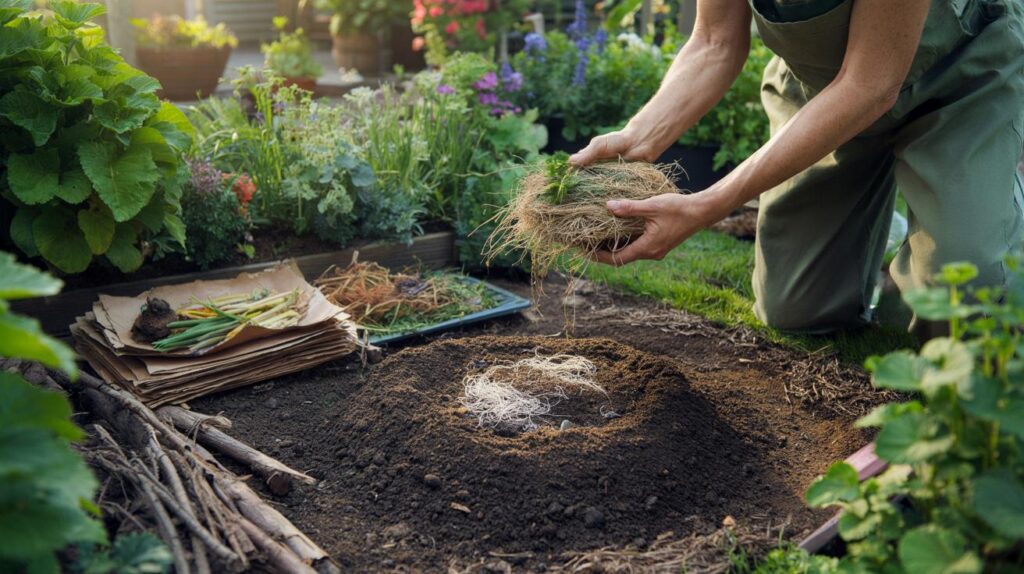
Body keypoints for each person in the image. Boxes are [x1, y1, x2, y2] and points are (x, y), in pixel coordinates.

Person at [571, 0, 1024, 335]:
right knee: (796, 313)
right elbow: (714, 42)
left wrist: (706, 206)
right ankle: (887, 233)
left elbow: (871, 86)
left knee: (966, 302)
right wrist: (639, 136)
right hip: (824, 88)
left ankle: (977, 220)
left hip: (959, 79)